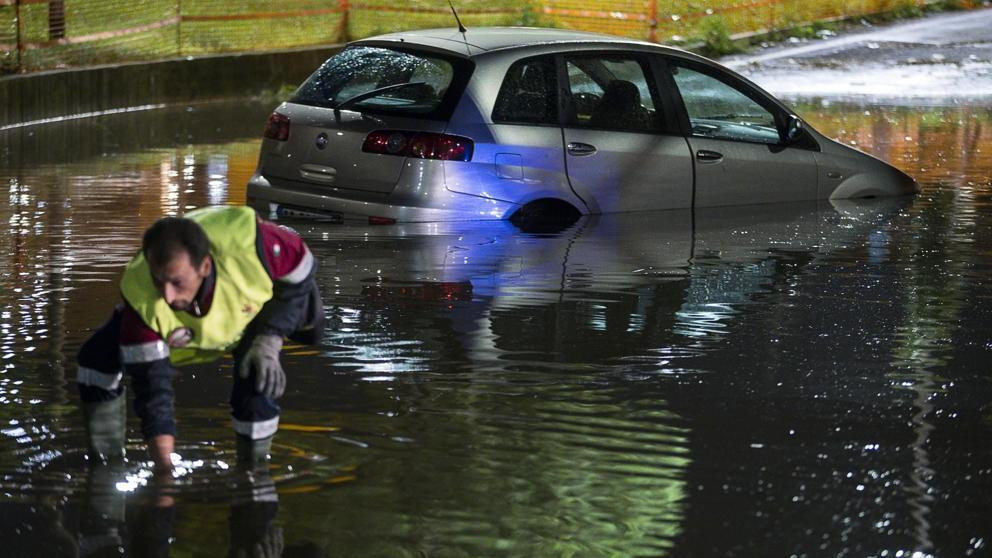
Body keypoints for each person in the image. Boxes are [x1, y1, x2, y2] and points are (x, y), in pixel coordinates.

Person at [76, 205, 323, 471]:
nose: (167, 297)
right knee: (95, 361)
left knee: (259, 375)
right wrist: (164, 473)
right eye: (159, 282)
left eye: (177, 282)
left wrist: (270, 339)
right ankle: (106, 466)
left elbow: (302, 269)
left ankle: (255, 471)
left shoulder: (254, 246)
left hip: (256, 311)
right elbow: (152, 392)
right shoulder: (142, 298)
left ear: (204, 266)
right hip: (191, 327)